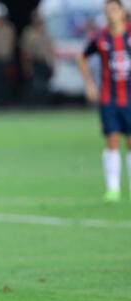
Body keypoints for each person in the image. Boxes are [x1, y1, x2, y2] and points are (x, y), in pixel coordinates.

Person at [78, 0, 131, 202]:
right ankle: (113, 188)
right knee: (112, 139)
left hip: (130, 97)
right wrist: (90, 85)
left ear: (122, 12)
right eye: (107, 10)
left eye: (114, 9)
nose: (111, 14)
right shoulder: (100, 37)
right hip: (109, 98)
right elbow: (81, 57)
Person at [21, 9, 54, 105]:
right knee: (34, 85)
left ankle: (44, 104)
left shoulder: (46, 32)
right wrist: (27, 66)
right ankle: (33, 104)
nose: (39, 20)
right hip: (34, 61)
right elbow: (25, 50)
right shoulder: (29, 32)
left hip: (45, 62)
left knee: (45, 85)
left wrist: (52, 63)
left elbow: (50, 49)